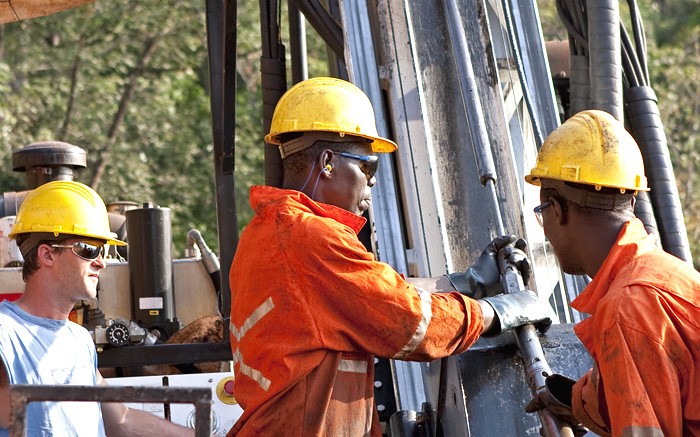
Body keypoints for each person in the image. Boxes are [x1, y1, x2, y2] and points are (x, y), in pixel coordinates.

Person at [228, 76, 553, 436]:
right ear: (327, 162)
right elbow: (408, 320)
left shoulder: (263, 233)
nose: (373, 181)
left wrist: (468, 281)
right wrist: (501, 311)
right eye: (368, 166)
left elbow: (373, 293)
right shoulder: (312, 237)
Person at [523, 110, 700, 436]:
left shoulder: (627, 310)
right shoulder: (664, 275)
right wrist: (574, 400)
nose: (544, 229)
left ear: (558, 211)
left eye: (541, 213)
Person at [0, 180, 194, 437]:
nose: (101, 263)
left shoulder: (78, 340)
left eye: (103, 250)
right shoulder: (6, 335)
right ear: (47, 255)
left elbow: (120, 420)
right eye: (89, 250)